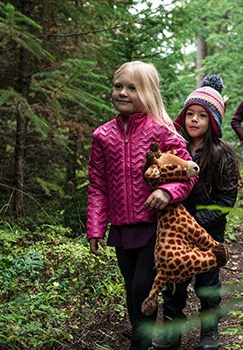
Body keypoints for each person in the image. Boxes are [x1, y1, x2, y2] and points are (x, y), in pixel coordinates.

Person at [86, 61, 197, 350]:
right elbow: (97, 186)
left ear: (147, 92)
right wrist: (95, 228)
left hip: (156, 226)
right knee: (132, 291)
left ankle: (140, 344)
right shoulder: (102, 136)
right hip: (123, 228)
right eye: (118, 86)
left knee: (141, 287)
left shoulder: (161, 132)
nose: (122, 92)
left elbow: (188, 172)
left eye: (132, 88)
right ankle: (143, 338)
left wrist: (168, 192)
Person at [151, 75, 240, 350]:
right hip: (175, 234)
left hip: (207, 234)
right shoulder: (175, 149)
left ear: (212, 121)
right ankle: (172, 332)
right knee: (173, 283)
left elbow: (226, 199)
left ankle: (209, 334)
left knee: (208, 283)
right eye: (190, 113)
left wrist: (196, 222)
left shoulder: (222, 154)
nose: (194, 120)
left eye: (202, 115)